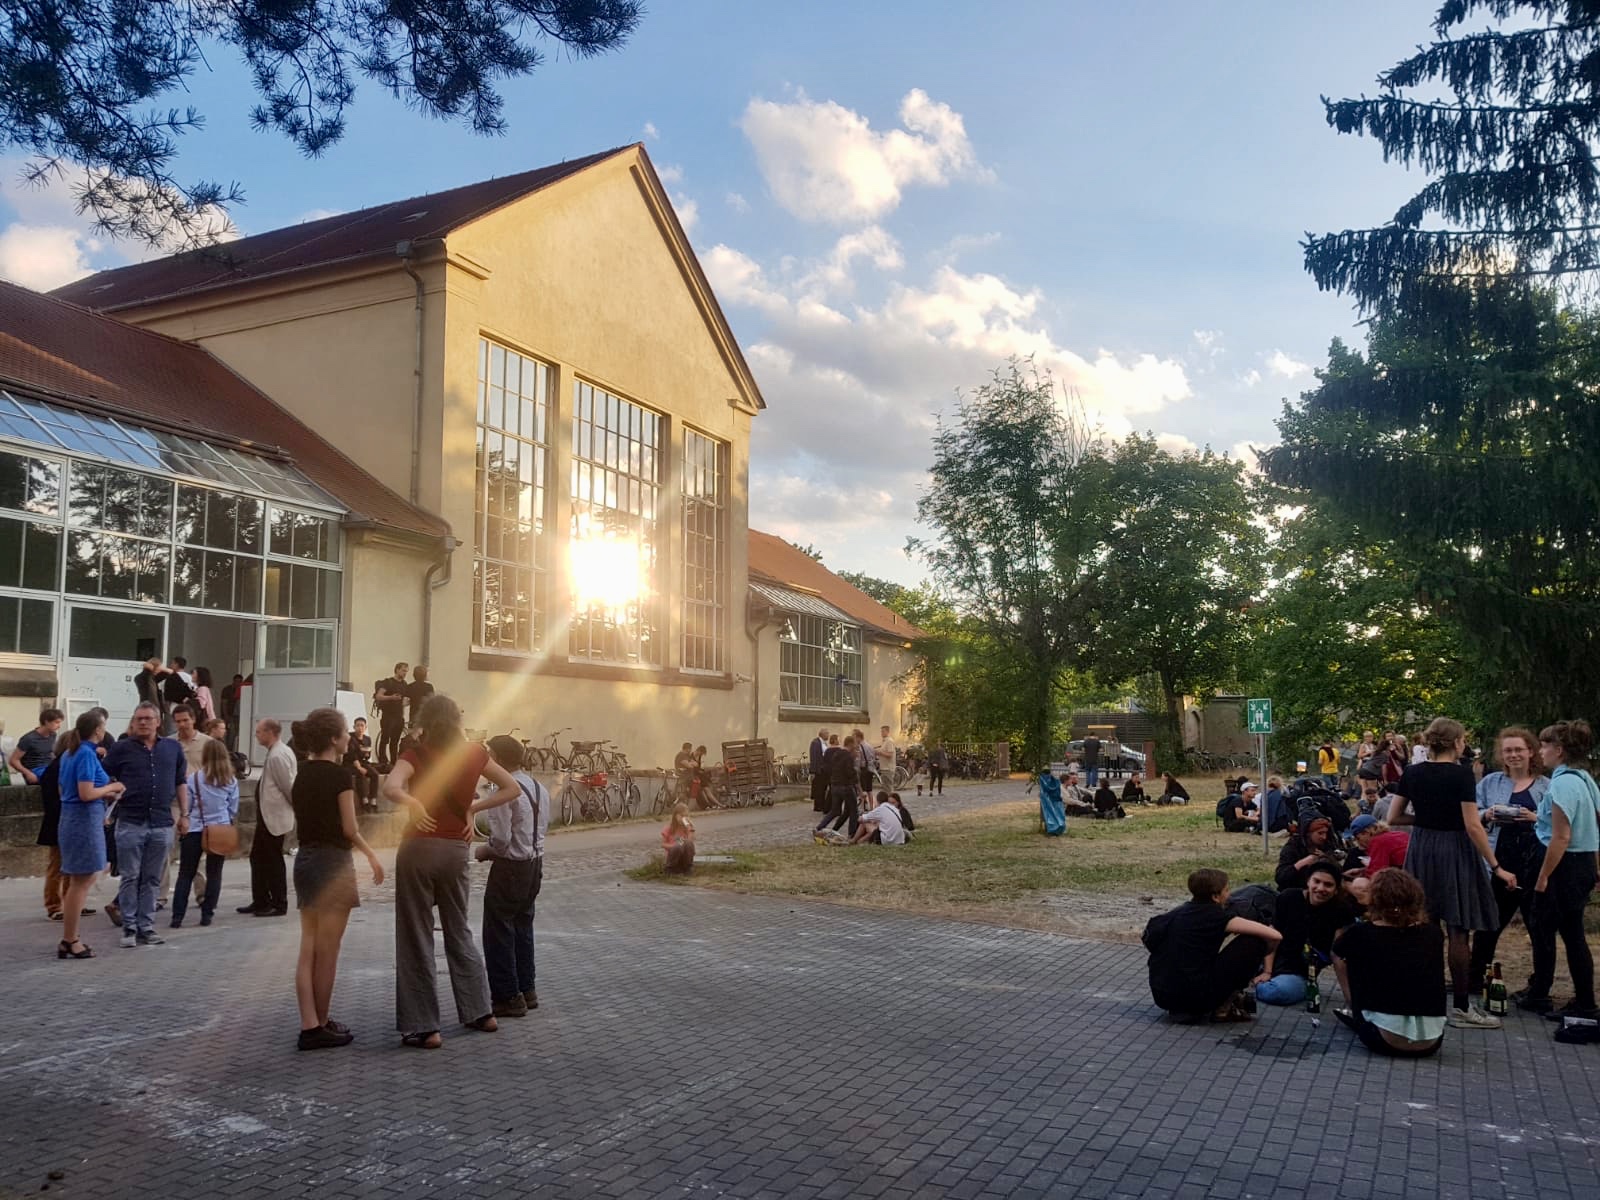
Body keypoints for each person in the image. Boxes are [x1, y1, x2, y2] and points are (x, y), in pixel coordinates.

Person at [383, 693, 519, 1049]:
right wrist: (474, 808)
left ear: (426, 720)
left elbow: (390, 787)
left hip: (418, 849)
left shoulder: (414, 753)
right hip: (456, 851)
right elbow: (512, 787)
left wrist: (412, 802)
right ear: (457, 721)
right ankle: (481, 1012)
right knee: (459, 930)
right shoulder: (474, 753)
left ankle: (425, 1027)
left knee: (416, 936)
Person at [1387, 716, 1518, 1029]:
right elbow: (1473, 825)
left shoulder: (1412, 772)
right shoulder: (1461, 775)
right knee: (1459, 930)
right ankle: (1461, 1007)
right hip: (1455, 851)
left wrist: (1424, 823)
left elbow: (1394, 816)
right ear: (1457, 742)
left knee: (1426, 927)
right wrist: (1496, 866)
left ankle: (1426, 1002)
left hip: (1421, 849)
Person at [290, 707, 385, 1051]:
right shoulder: (341, 776)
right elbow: (349, 828)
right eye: (345, 732)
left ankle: (308, 1022)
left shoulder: (301, 774)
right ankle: (320, 1023)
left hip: (306, 859)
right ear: (333, 738)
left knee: (308, 948)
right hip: (333, 862)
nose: (349, 737)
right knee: (328, 951)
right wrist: (372, 855)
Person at [1520, 720, 1600, 1019]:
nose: (1540, 751)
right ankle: (1583, 999)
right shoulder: (1585, 778)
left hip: (1561, 863)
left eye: (1544, 745)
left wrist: (1543, 875)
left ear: (1560, 750)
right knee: (1573, 933)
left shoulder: (1564, 782)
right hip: (1581, 862)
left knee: (1544, 930)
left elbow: (1561, 835)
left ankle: (1541, 992)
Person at [1332, 868, 1446, 1057]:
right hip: (1432, 1041)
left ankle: (1354, 1006)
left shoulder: (1361, 933)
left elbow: (1337, 954)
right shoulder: (1433, 933)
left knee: (1344, 955)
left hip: (1384, 1039)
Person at [1143, 868, 1283, 1022]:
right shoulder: (1217, 916)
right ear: (1216, 896)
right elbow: (1275, 936)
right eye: (1227, 890)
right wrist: (1261, 956)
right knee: (1254, 942)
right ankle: (1224, 1006)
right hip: (1195, 998)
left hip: (1162, 995)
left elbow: (1148, 937)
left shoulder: (1176, 913)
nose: (1229, 895)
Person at [1469, 727, 1548, 992]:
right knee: (1489, 924)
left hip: (1534, 864)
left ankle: (1539, 989)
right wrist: (1486, 814)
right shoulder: (1490, 783)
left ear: (1531, 752)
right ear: (1501, 755)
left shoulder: (1546, 786)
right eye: (1508, 751)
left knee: (1538, 928)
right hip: (1497, 863)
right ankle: (1475, 979)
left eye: (1518, 750)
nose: (1513, 755)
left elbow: (1558, 825)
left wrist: (1535, 818)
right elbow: (1471, 814)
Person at [104, 702, 188, 947]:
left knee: (152, 878)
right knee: (130, 877)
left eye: (148, 718)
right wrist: (110, 793)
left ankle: (146, 927)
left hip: (162, 823)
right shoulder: (121, 749)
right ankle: (129, 927)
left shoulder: (172, 748)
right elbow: (102, 774)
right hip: (130, 822)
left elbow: (180, 782)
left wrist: (185, 814)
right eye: (139, 718)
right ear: (133, 721)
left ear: (158, 721)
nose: (143, 722)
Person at [479, 735, 549, 1016]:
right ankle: (527, 988)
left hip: (510, 867)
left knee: (498, 931)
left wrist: (484, 850)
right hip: (534, 864)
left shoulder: (503, 791)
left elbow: (502, 839)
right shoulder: (538, 786)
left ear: (495, 757)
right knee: (523, 927)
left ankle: (508, 996)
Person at [53, 712, 124, 959]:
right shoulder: (85, 754)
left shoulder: (70, 753)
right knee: (80, 883)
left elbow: (66, 788)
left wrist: (103, 795)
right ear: (97, 730)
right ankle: (70, 939)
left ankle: (70, 938)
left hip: (76, 818)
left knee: (81, 880)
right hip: (82, 822)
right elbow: (85, 792)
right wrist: (113, 787)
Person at [1256, 862, 1356, 1006]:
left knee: (1279, 992)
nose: (1320, 888)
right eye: (1316, 881)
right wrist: (1267, 971)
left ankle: (1254, 987)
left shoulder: (1342, 910)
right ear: (1308, 881)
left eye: (1328, 885)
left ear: (1336, 889)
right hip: (1270, 961)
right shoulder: (1288, 897)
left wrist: (1350, 999)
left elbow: (1337, 955)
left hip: (1299, 972)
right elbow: (1272, 935)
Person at [170, 739, 239, 929]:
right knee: (215, 873)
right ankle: (207, 914)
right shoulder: (231, 780)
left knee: (186, 873)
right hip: (220, 829)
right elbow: (233, 808)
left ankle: (177, 916)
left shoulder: (194, 778)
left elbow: (188, 805)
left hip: (195, 828)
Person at [241, 718, 297, 917]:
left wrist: (296, 809)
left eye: (259, 732)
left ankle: (278, 903)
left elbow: (288, 787)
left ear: (270, 732)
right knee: (258, 857)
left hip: (274, 816)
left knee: (272, 859)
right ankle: (261, 900)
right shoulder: (276, 753)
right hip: (267, 815)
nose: (256, 735)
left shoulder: (277, 755)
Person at [1275, 817, 1344, 889]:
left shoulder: (1326, 846)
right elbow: (1281, 878)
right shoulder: (1293, 847)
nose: (1324, 837)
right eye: (1320, 833)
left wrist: (1326, 859)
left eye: (1326, 833)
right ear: (1308, 833)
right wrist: (1302, 863)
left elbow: (1339, 873)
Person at [815, 735, 861, 841]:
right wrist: (858, 787)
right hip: (846, 787)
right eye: (854, 744)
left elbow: (833, 769)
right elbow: (850, 773)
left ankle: (820, 828)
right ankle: (852, 834)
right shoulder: (848, 756)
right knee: (854, 810)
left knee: (835, 810)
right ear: (850, 744)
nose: (856, 746)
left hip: (835, 786)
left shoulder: (836, 754)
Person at [10, 707, 62, 785]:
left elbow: (49, 753)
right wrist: (28, 773)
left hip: (49, 767)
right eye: (57, 722)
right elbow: (13, 760)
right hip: (35, 769)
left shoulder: (52, 735)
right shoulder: (29, 739)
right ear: (47, 722)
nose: (59, 726)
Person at [373, 662, 409, 771]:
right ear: (397, 670)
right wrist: (391, 698)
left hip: (399, 715)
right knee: (385, 739)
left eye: (406, 671)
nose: (405, 673)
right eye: (403, 670)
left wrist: (406, 703)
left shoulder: (404, 684)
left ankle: (393, 762)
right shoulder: (388, 682)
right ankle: (383, 761)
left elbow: (403, 701)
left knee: (395, 741)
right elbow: (379, 696)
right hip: (388, 716)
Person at [344, 716, 379, 809]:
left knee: (375, 774)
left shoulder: (367, 739)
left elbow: (368, 755)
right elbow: (352, 755)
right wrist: (359, 767)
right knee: (360, 773)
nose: (360, 728)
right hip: (350, 763)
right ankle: (364, 799)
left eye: (362, 726)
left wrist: (366, 754)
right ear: (354, 727)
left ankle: (373, 799)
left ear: (365, 727)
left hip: (362, 761)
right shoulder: (350, 738)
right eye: (358, 725)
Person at [169, 703, 212, 773]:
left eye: (185, 720)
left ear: (193, 719)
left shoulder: (208, 742)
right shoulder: (168, 743)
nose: (182, 724)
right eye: (178, 721)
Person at [660, 800, 696, 873]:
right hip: (673, 856)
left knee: (688, 843)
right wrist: (673, 846)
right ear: (676, 816)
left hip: (684, 857)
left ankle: (688, 867)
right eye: (682, 816)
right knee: (677, 847)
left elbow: (690, 841)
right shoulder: (669, 828)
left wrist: (690, 829)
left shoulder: (687, 828)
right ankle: (670, 869)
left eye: (686, 816)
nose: (684, 818)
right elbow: (663, 844)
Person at [1038, 767, 1066, 836]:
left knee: (1049, 814)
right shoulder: (1056, 781)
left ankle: (1051, 828)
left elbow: (1044, 789)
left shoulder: (1042, 780)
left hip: (1047, 800)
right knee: (1058, 814)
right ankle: (1060, 827)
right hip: (1056, 801)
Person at [219, 674, 244, 750]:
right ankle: (228, 750)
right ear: (233, 681)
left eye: (240, 682)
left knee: (236, 734)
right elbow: (224, 703)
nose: (238, 683)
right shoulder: (227, 689)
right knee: (229, 734)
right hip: (229, 715)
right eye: (237, 681)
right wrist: (226, 715)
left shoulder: (242, 689)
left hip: (239, 715)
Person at [808, 728, 829, 814]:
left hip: (824, 769)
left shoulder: (824, 743)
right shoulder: (815, 743)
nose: (828, 735)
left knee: (823, 787)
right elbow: (814, 757)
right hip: (818, 769)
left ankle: (822, 804)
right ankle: (818, 805)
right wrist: (813, 771)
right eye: (827, 733)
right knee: (818, 788)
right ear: (822, 734)